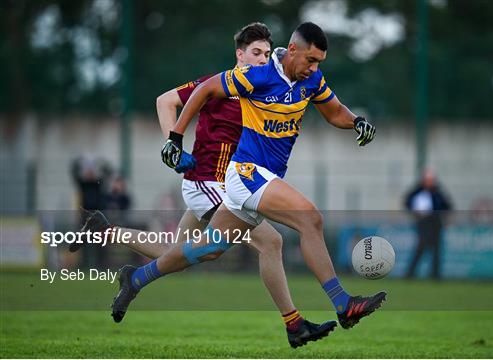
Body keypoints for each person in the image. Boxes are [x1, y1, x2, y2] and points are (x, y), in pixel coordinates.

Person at [112, 22, 386, 334]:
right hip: (246, 174)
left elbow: (335, 111)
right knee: (309, 218)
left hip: (261, 178)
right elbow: (204, 89)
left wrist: (357, 122)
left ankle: (136, 279)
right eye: (310, 60)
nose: (314, 68)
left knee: (209, 247)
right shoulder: (258, 75)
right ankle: (342, 304)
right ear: (293, 50)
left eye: (319, 62)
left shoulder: (312, 80)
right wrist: (175, 138)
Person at [76, 23, 335, 348]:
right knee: (270, 243)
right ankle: (294, 324)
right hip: (209, 181)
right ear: (239, 54)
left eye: (267, 54)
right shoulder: (222, 85)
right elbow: (165, 100)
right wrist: (173, 145)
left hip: (228, 185)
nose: (262, 59)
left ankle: (107, 237)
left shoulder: (267, 87)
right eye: (256, 53)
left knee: (174, 252)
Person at [404, 168, 452, 279]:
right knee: (420, 249)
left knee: (436, 251)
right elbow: (408, 202)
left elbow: (447, 206)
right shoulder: (417, 192)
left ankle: (435, 275)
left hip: (435, 224)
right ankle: (410, 274)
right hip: (423, 225)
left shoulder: (438, 194)